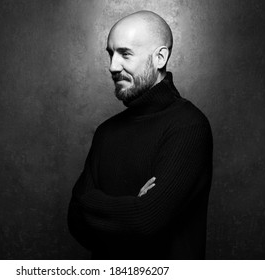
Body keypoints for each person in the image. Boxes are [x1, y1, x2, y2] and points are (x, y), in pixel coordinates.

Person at [67, 10, 213, 260]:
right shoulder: (106, 132)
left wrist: (93, 203)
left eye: (125, 53)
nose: (113, 66)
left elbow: (146, 221)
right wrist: (132, 206)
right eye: (111, 54)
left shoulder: (188, 125)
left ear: (159, 57)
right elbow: (76, 221)